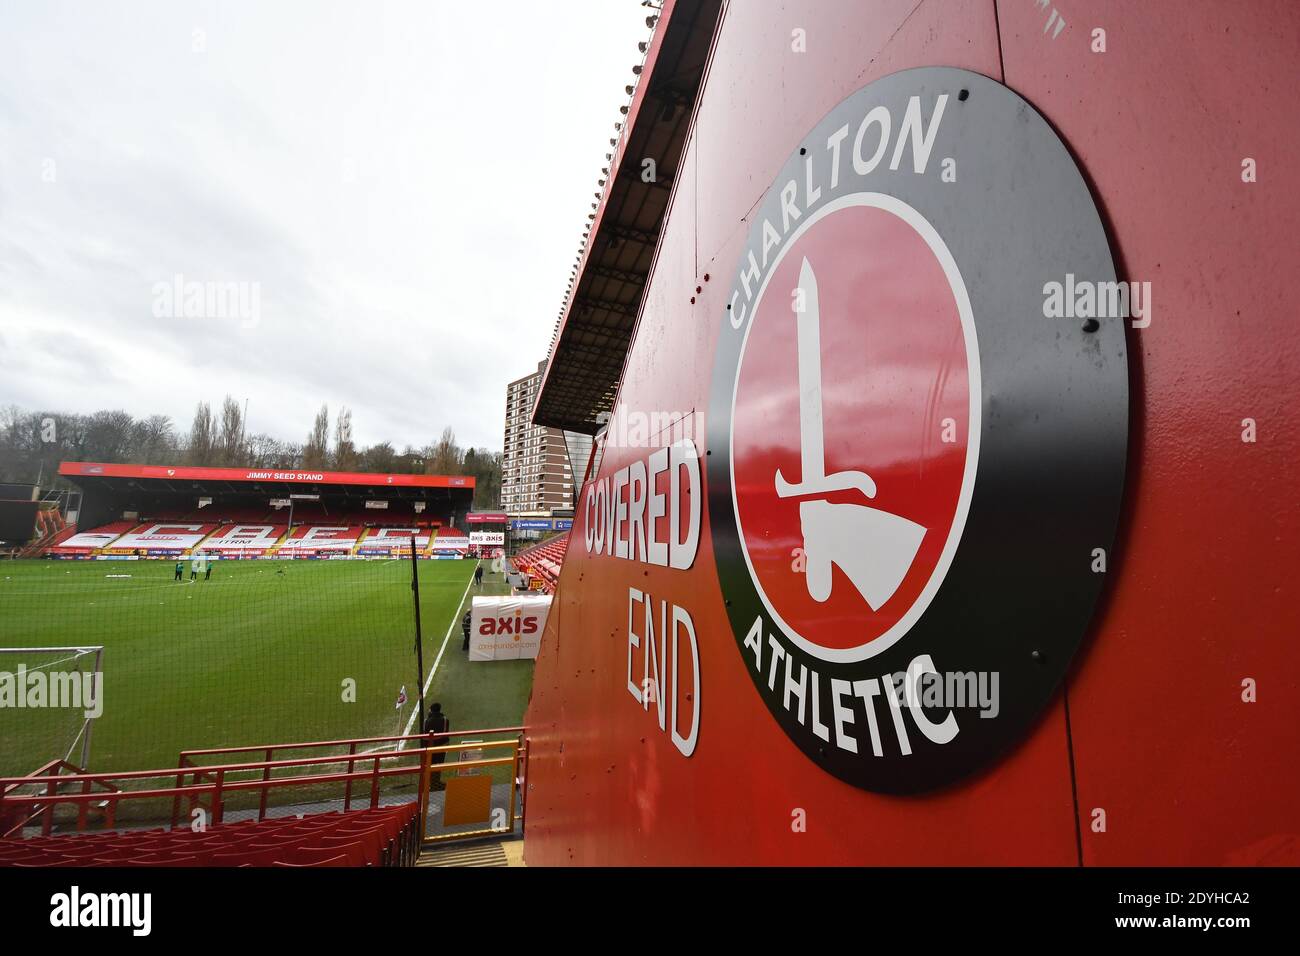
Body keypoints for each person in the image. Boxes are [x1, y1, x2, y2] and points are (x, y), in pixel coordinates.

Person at [422, 702, 451, 791]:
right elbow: (445, 733)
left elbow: (424, 734)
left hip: (430, 747)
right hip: (441, 747)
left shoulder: (426, 721)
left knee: (430, 764)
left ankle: (431, 783)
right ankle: (436, 783)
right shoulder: (445, 720)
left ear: (431, 710)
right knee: (439, 764)